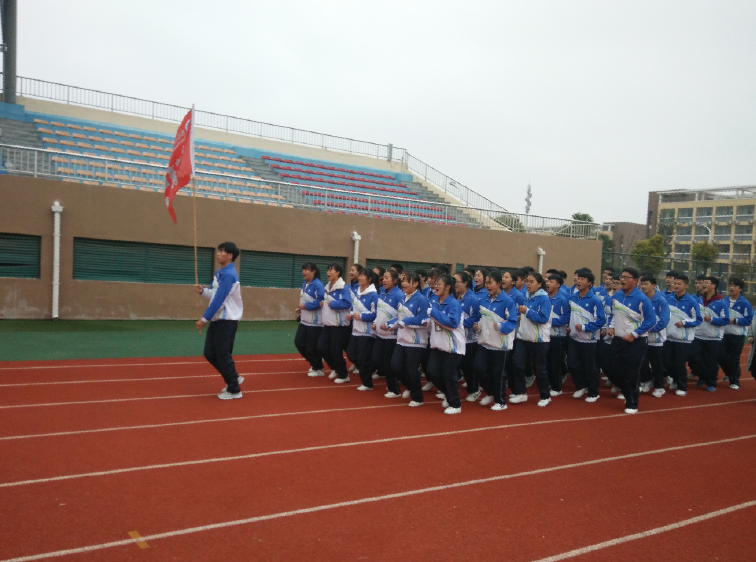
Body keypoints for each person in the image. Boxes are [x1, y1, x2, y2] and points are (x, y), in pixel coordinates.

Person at [194, 242, 244, 400]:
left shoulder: (229, 275)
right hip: (218, 320)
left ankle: (234, 390)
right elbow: (214, 294)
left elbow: (219, 300)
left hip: (227, 321)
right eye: (218, 251)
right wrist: (203, 291)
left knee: (222, 354)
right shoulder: (220, 273)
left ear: (230, 256)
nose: (218, 254)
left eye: (222, 251)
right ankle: (233, 377)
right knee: (209, 353)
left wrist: (204, 319)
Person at [607, 268, 656, 414]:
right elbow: (613, 314)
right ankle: (627, 389)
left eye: (626, 277)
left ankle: (632, 402)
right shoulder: (617, 296)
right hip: (618, 339)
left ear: (635, 280)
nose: (622, 280)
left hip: (635, 341)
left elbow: (651, 320)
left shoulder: (641, 299)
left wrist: (634, 334)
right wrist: (611, 326)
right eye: (621, 277)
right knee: (610, 366)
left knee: (631, 372)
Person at [474, 269, 518, 410]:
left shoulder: (507, 301)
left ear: (499, 283)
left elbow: (512, 322)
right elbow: (481, 318)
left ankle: (501, 402)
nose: (487, 285)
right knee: (478, 368)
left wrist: (500, 326)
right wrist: (478, 327)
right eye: (486, 282)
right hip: (484, 342)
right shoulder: (483, 299)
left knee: (498, 374)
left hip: (500, 344)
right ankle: (491, 392)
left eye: (490, 282)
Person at [387, 271, 430, 406]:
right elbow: (400, 317)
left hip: (415, 342)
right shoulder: (402, 297)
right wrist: (392, 324)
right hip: (401, 339)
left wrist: (405, 321)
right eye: (403, 281)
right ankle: (410, 387)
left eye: (407, 281)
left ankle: (417, 398)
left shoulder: (421, 300)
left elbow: (424, 319)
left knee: (411, 370)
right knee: (395, 366)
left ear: (416, 283)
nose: (403, 283)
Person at [426, 273, 466, 414]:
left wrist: (433, 313)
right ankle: (449, 394)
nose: (436, 286)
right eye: (435, 284)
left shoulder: (453, 304)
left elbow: (452, 323)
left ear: (448, 287)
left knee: (449, 375)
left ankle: (455, 404)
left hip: (452, 347)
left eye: (439, 284)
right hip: (438, 344)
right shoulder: (435, 302)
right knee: (432, 372)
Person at [512, 272, 553, 406]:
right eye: (527, 281)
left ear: (539, 284)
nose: (528, 284)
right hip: (523, 337)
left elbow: (543, 318)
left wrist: (527, 312)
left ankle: (545, 396)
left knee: (539, 369)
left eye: (531, 282)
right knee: (517, 364)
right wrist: (521, 317)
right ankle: (521, 393)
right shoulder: (526, 296)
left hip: (538, 340)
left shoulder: (544, 299)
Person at [568, 269, 606, 402]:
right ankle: (581, 386)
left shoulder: (594, 300)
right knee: (572, 364)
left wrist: (585, 327)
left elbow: (601, 320)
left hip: (589, 340)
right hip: (574, 337)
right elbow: (569, 314)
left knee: (590, 367)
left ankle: (593, 392)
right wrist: (569, 325)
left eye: (582, 279)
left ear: (589, 283)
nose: (578, 281)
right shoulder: (572, 298)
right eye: (578, 279)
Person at [663, 275, 702, 396]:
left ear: (686, 285)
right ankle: (675, 379)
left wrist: (684, 323)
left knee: (679, 364)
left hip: (683, 339)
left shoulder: (691, 301)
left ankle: (682, 387)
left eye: (679, 284)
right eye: (675, 283)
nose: (676, 286)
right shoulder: (668, 299)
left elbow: (698, 319)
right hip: (668, 337)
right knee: (667, 362)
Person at [688, 276, 729, 391]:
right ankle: (703, 375)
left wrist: (711, 319)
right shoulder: (698, 301)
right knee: (692, 358)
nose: (703, 284)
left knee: (711, 361)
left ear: (714, 286)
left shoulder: (721, 303)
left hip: (713, 338)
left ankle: (711, 383)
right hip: (697, 335)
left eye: (706, 282)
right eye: (703, 282)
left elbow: (725, 320)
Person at [318, 263, 353, 383]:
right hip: (327, 324)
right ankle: (335, 368)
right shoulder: (327, 287)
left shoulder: (343, 288)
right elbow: (327, 302)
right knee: (322, 347)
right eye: (327, 270)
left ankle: (343, 375)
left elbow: (347, 303)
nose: (328, 272)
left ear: (338, 273)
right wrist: (323, 304)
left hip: (338, 326)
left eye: (331, 270)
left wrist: (332, 304)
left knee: (335, 350)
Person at [372, 269, 403, 396]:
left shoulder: (399, 295)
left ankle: (394, 389)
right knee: (375, 359)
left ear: (395, 280)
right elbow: (379, 312)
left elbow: (402, 316)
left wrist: (388, 325)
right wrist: (375, 322)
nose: (384, 280)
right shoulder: (381, 292)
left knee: (388, 363)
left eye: (387, 278)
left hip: (391, 336)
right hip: (380, 334)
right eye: (383, 278)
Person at [346, 268, 379, 391]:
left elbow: (375, 315)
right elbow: (354, 308)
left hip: (367, 332)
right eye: (359, 275)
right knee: (351, 353)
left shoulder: (373, 295)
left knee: (362, 358)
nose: (359, 278)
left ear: (369, 279)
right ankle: (370, 367)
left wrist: (360, 316)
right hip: (356, 330)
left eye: (363, 276)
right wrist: (351, 314)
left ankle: (367, 383)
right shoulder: (357, 292)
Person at [639, 274, 671, 397]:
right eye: (642, 284)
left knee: (657, 364)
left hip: (656, 339)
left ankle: (659, 387)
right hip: (642, 338)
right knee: (642, 362)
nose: (643, 286)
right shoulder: (641, 299)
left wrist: (648, 328)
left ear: (653, 285)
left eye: (646, 284)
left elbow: (664, 321)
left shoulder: (661, 301)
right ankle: (647, 380)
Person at [719, 277, 754, 390]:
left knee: (734, 359)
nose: (731, 288)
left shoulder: (745, 303)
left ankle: (734, 381)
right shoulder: (724, 301)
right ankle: (730, 373)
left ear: (740, 289)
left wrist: (735, 320)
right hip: (723, 334)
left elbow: (749, 320)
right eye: (730, 285)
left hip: (737, 336)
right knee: (720, 356)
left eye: (734, 286)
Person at [454, 271, 482, 401]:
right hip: (456, 337)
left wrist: (458, 324)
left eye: (457, 281)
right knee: (455, 366)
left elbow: (475, 318)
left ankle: (474, 390)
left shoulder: (473, 299)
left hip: (469, 339)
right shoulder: (455, 297)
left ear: (465, 283)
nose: (454, 284)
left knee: (468, 367)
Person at [296, 262, 326, 378]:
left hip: (315, 323)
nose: (304, 272)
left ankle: (318, 368)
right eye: (303, 269)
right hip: (304, 320)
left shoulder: (318, 285)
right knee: (299, 342)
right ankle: (316, 361)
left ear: (313, 271)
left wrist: (306, 306)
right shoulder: (305, 284)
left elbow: (321, 302)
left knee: (311, 347)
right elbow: (304, 300)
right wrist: (300, 308)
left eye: (307, 270)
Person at [545, 274, 570, 396]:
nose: (547, 283)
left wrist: (548, 322)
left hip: (557, 336)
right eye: (547, 281)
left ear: (558, 285)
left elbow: (565, 318)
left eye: (551, 281)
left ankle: (556, 387)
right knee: (546, 361)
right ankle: (549, 382)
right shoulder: (545, 298)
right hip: (545, 335)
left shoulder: (562, 300)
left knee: (555, 362)